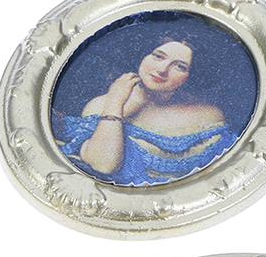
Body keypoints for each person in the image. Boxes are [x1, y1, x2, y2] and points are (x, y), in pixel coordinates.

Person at [53, 36, 239, 185]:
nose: (162, 70)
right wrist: (115, 102)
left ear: (191, 76)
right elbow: (103, 166)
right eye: (158, 56)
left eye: (180, 66)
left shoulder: (208, 114)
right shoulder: (103, 105)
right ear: (143, 56)